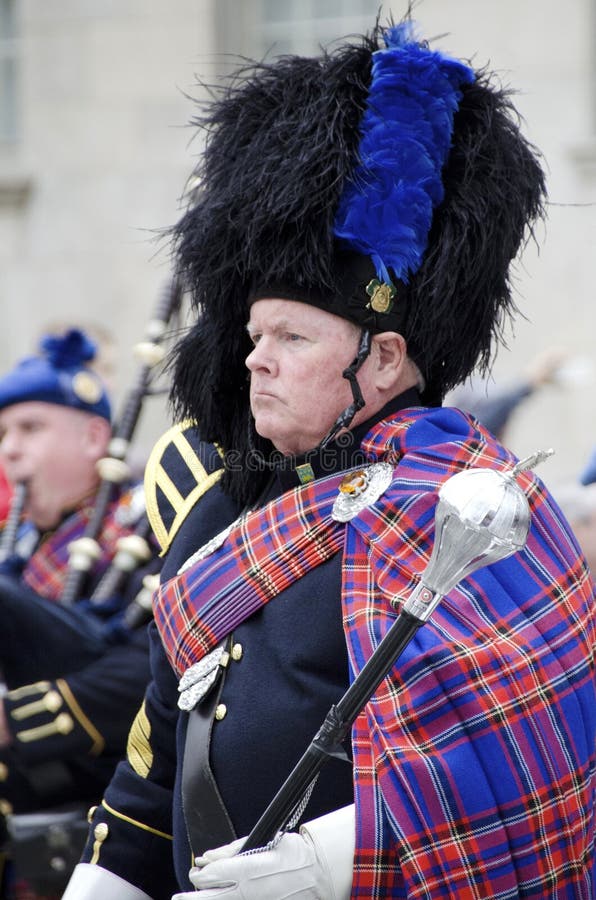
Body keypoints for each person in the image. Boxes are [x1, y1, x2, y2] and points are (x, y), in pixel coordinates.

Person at [63, 19, 595, 900]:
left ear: (382, 360)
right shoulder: (215, 510)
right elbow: (155, 757)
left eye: (291, 336)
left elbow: (522, 766)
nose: (252, 358)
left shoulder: (471, 507)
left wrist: (326, 865)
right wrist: (108, 879)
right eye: (253, 333)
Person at [0, 328, 160, 817]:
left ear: (94, 437)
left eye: (30, 428)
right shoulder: (22, 542)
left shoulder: (144, 523)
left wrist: (12, 721)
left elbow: (152, 661)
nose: (9, 450)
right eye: (4, 434)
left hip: (102, 807)